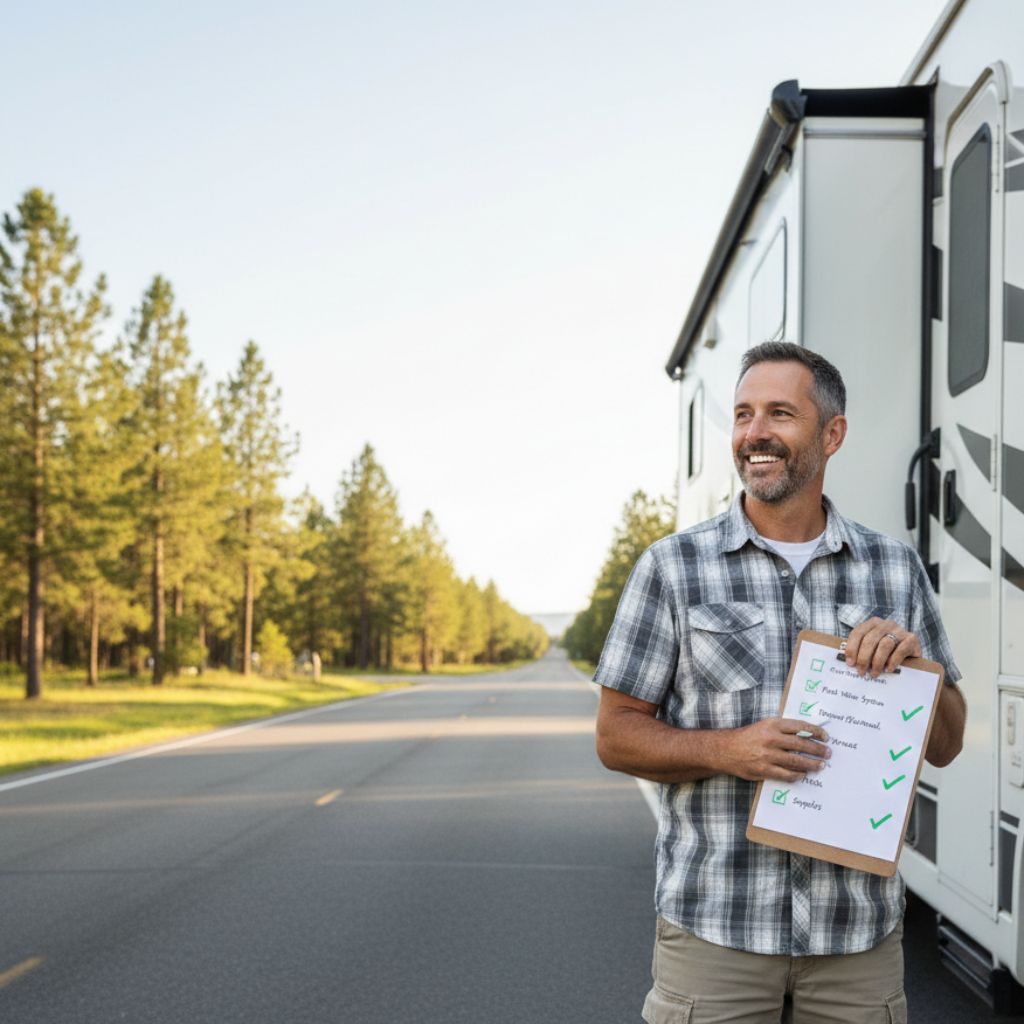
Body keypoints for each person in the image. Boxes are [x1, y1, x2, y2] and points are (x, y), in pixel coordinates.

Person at [594, 341, 966, 1024]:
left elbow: (945, 743)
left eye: (779, 414)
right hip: (714, 934)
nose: (754, 433)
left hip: (857, 940)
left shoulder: (893, 569)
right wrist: (726, 751)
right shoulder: (673, 568)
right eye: (741, 414)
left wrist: (919, 676)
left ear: (832, 434)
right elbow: (616, 736)